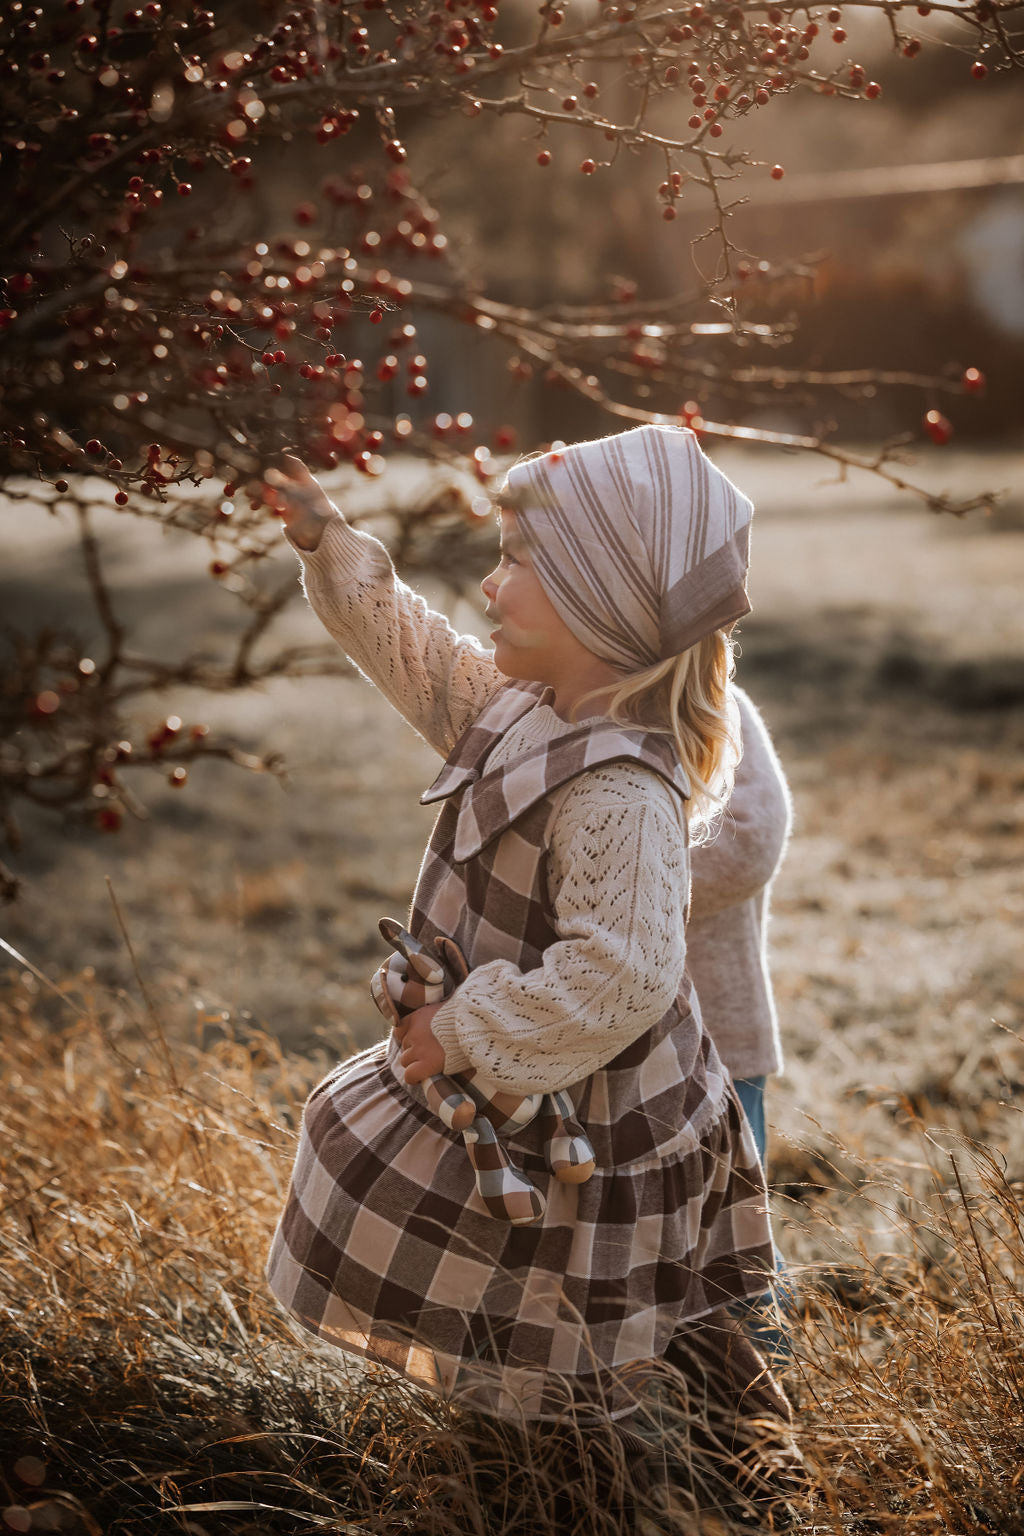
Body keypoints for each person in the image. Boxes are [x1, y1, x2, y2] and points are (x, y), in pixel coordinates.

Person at [264, 425, 797, 1499]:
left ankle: (693, 1485)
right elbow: (415, 653)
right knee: (543, 1289)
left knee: (638, 1333)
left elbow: (622, 977)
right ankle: (547, 1459)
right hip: (541, 1097)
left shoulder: (618, 793)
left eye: (517, 563)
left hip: (601, 1108)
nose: (489, 585)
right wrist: (331, 546)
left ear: (602, 604)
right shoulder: (521, 710)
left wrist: (462, 1028)